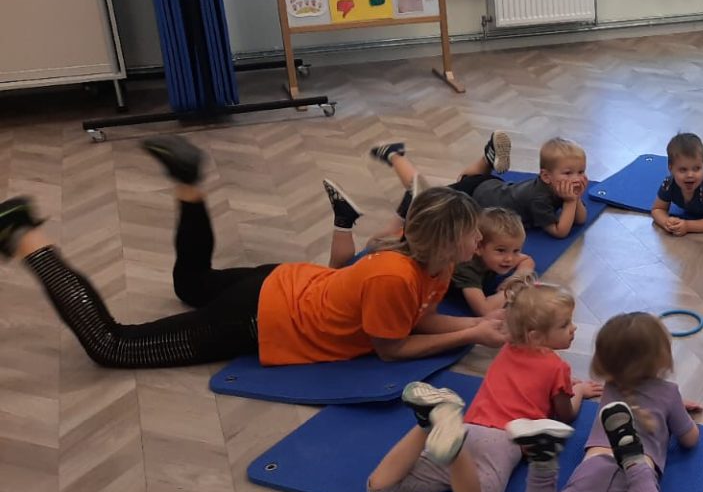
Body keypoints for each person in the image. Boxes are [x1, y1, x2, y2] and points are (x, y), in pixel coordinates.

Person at [0, 137, 503, 369]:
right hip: (262, 316)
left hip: (280, 281)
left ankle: (188, 184)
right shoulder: (395, 275)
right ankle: (22, 236)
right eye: (473, 237)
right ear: (445, 242)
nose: (478, 245)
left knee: (190, 283)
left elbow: (417, 319)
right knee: (115, 346)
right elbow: (390, 348)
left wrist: (477, 325)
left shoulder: (435, 264)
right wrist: (472, 334)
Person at [365, 281, 599, 492]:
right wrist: (579, 391)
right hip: (502, 442)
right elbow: (566, 414)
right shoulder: (558, 367)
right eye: (565, 324)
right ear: (535, 336)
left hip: (467, 428)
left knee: (381, 491)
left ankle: (427, 423)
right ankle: (454, 451)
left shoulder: (507, 350)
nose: (574, 328)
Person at [509, 312, 700, 492]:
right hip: (633, 483)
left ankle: (542, 468)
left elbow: (638, 395)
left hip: (592, 471)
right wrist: (676, 412)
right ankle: (633, 461)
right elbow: (690, 439)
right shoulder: (669, 393)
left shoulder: (610, 386)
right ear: (662, 357)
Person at [320, 183, 533, 318]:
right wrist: (515, 288)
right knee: (340, 269)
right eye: (473, 233)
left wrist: (519, 276)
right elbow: (392, 347)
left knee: (379, 245)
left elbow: (526, 261)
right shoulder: (400, 276)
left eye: (515, 251)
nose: (479, 238)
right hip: (328, 295)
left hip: (409, 243)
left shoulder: (446, 260)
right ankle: (346, 221)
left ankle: (400, 215)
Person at [370, 132, 589, 239]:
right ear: (546, 176)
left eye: (580, 172)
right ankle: (394, 154)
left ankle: (488, 158)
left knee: (467, 178)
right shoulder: (538, 198)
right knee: (425, 197)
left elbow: (580, 220)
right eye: (568, 173)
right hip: (477, 198)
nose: (576, 178)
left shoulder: (558, 187)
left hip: (490, 187)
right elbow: (560, 232)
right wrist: (571, 201)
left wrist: (575, 198)